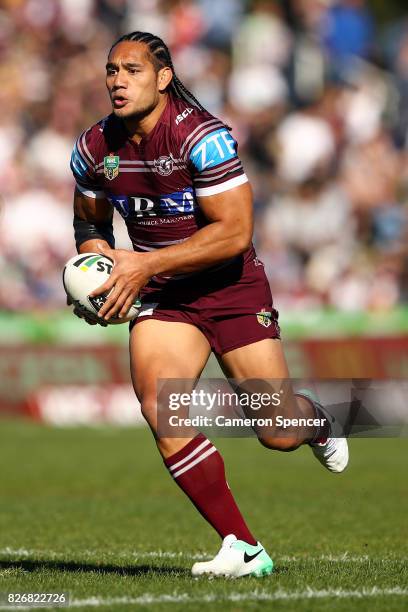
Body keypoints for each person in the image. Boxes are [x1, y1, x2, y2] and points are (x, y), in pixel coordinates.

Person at [69, 31, 348, 578]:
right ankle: (243, 547)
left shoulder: (203, 137)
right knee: (160, 406)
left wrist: (142, 264)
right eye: (111, 70)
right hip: (167, 297)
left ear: (163, 78)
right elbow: (90, 221)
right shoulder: (93, 149)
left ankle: (314, 420)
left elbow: (236, 232)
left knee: (277, 432)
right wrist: (96, 270)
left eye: (132, 70)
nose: (118, 81)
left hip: (230, 288)